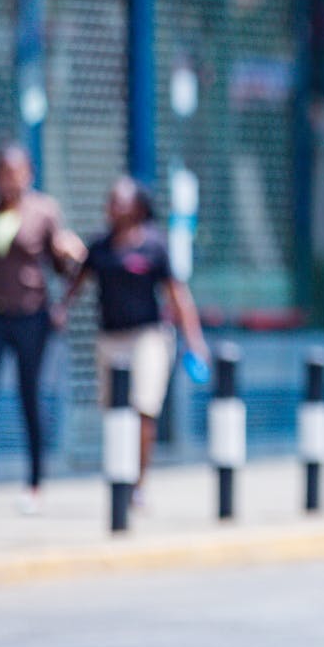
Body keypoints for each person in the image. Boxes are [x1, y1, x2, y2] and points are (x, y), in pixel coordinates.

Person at [58, 176, 210, 497]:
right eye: (110, 200)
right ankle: (119, 478)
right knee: (115, 413)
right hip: (109, 338)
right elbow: (76, 281)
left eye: (120, 200)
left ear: (137, 207)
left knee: (144, 408)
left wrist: (195, 341)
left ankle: (138, 484)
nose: (113, 206)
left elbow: (177, 295)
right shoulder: (100, 246)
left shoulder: (154, 245)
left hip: (148, 337)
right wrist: (60, 307)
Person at [0, 145, 84, 513]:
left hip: (30, 317)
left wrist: (67, 256)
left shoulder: (44, 211)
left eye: (17, 172)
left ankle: (35, 485)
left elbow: (62, 271)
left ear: (29, 173)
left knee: (30, 397)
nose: (10, 180)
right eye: (4, 172)